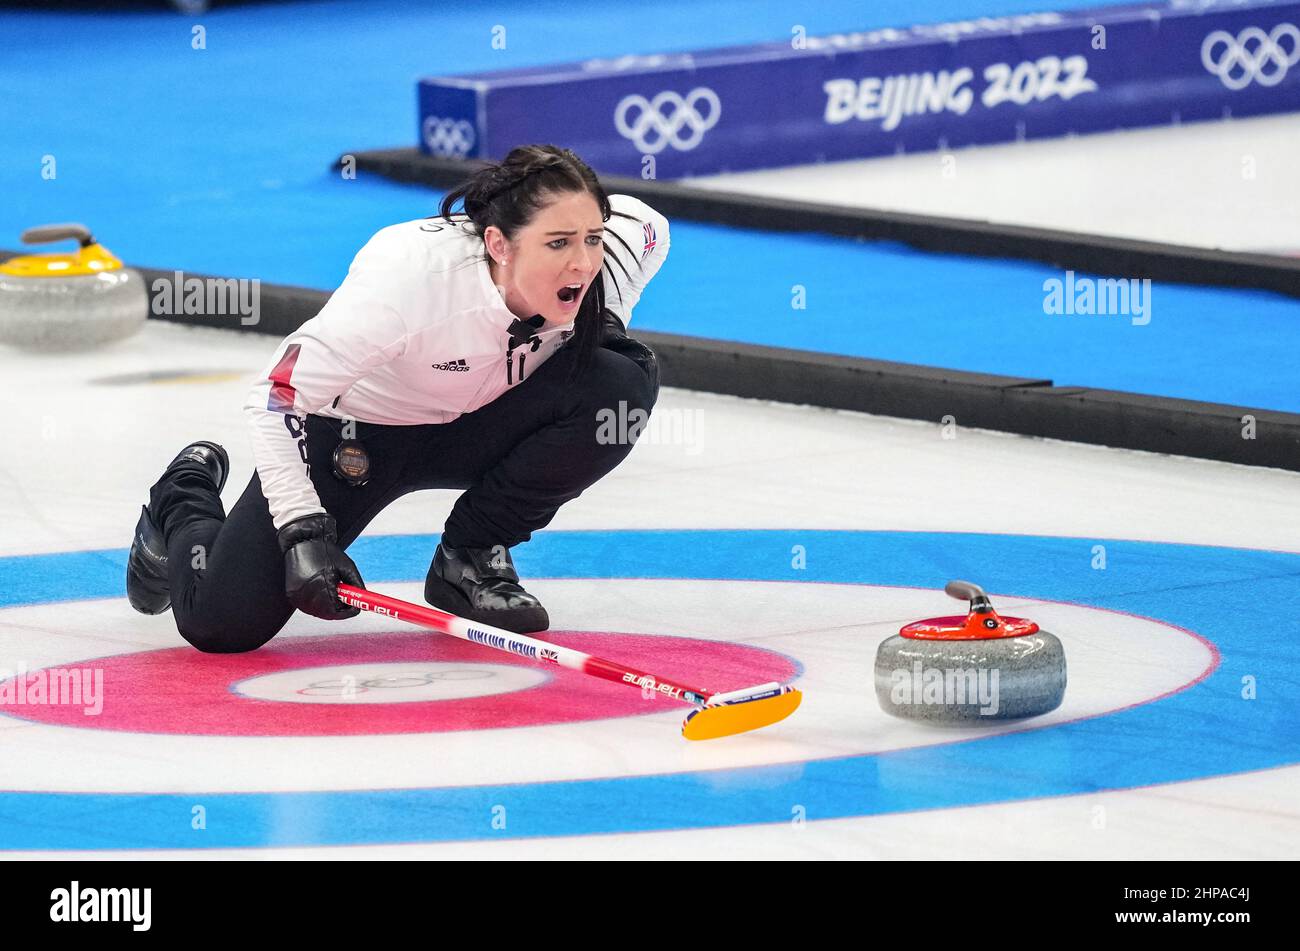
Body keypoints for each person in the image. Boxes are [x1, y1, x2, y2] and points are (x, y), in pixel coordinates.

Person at [126, 144, 669, 652]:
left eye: (592, 238)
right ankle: (182, 496)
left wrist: (603, 310)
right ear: (498, 244)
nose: (583, 263)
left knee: (617, 384)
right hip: (355, 438)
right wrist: (302, 529)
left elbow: (650, 226)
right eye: (557, 243)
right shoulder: (409, 282)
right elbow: (275, 397)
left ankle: (471, 557)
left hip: (477, 423)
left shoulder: (603, 265)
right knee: (221, 624)